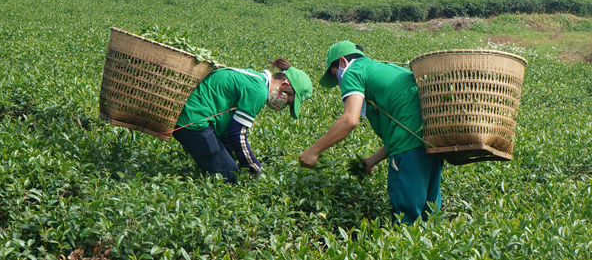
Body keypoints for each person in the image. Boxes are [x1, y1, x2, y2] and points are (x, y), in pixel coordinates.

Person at [299, 41, 443, 224]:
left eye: (335, 76)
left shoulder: (353, 71)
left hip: (409, 148)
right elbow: (402, 130)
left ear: (342, 61)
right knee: (430, 214)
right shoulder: (383, 69)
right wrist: (371, 160)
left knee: (405, 217)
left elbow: (349, 120)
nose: (339, 82)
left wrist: (313, 151)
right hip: (432, 140)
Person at [173, 58, 312, 184]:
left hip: (192, 118)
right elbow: (236, 133)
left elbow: (230, 131)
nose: (283, 105)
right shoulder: (259, 91)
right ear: (284, 84)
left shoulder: (256, 79)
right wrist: (254, 166)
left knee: (229, 162)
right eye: (288, 102)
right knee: (228, 175)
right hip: (193, 123)